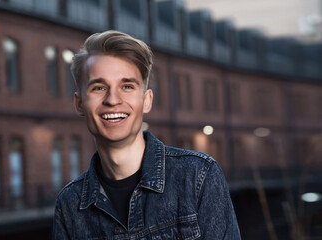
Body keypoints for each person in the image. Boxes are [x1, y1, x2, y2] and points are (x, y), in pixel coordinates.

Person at [52, 30, 241, 239]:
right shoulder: (70, 204)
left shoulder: (198, 176)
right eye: (99, 87)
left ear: (147, 100)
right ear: (79, 103)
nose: (112, 100)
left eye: (127, 86)